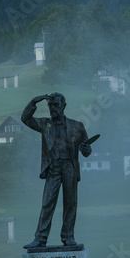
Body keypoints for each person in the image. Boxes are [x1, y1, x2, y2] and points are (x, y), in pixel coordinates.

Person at [21, 92, 92, 249]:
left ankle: (68, 237)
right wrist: (33, 101)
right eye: (50, 106)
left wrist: (87, 148)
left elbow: (86, 152)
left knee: (70, 203)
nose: (53, 109)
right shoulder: (44, 124)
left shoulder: (78, 126)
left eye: (56, 105)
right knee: (47, 202)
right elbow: (25, 119)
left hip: (70, 167)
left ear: (64, 106)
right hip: (53, 167)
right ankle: (40, 238)